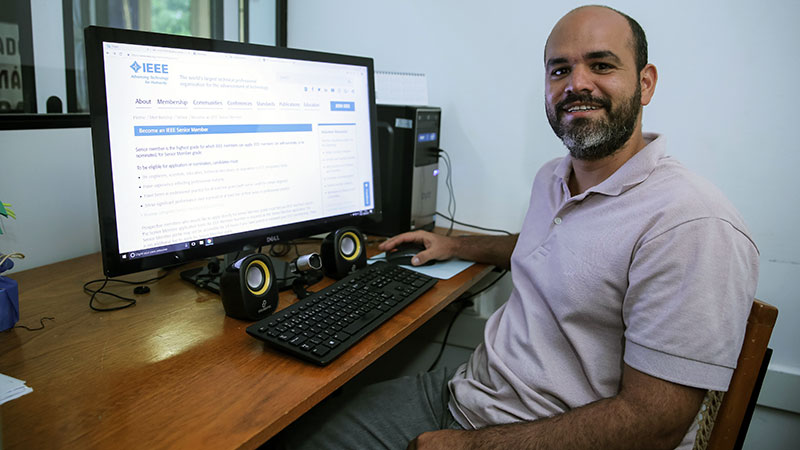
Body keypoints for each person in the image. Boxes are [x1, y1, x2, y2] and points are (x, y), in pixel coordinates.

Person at [275, 5, 759, 450]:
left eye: (602, 65)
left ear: (646, 83)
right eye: (560, 70)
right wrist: (455, 243)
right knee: (298, 426)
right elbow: (552, 250)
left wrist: (470, 447)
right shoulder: (554, 177)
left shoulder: (691, 224)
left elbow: (655, 424)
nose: (577, 83)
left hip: (528, 436)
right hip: (469, 393)